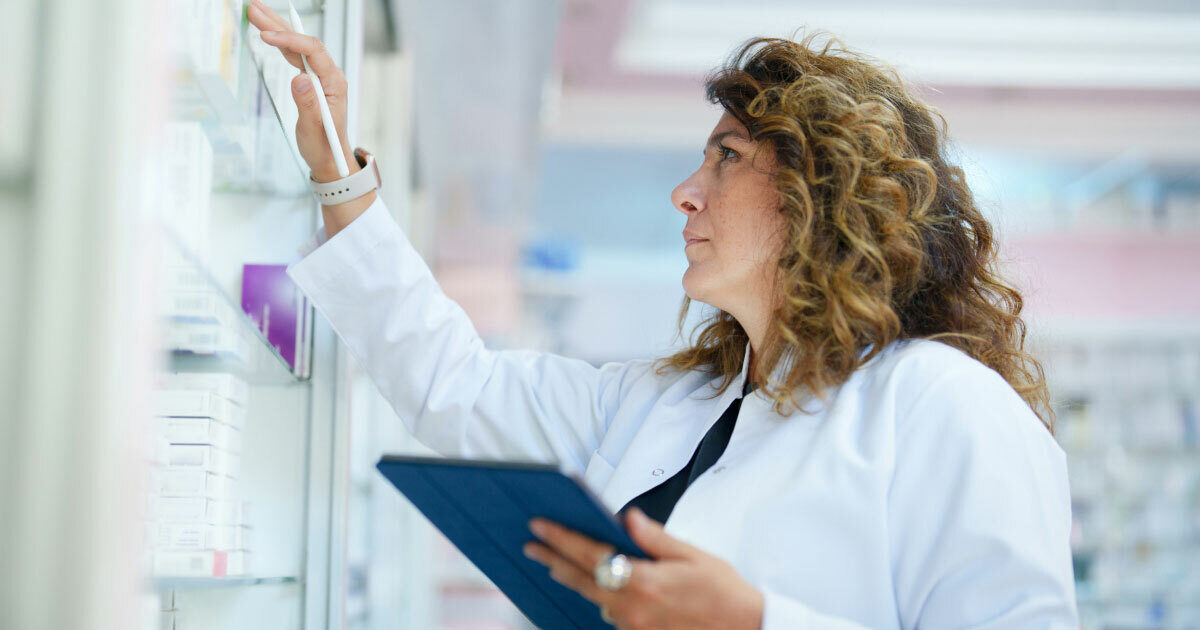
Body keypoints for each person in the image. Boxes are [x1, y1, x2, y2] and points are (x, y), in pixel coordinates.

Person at [249, 1, 1079, 627]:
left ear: (820, 197)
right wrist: (339, 175)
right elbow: (455, 385)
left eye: (728, 157)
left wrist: (753, 623)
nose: (686, 192)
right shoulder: (665, 406)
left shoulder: (944, 407)